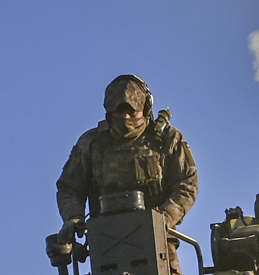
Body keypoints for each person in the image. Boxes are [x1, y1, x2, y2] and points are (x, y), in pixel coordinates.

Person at [55, 73, 198, 237]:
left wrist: (163, 219)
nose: (125, 117)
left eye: (131, 111)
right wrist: (74, 217)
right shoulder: (91, 143)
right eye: (119, 111)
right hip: (106, 243)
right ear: (109, 111)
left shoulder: (167, 138)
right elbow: (69, 188)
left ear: (145, 108)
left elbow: (187, 184)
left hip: (161, 243)